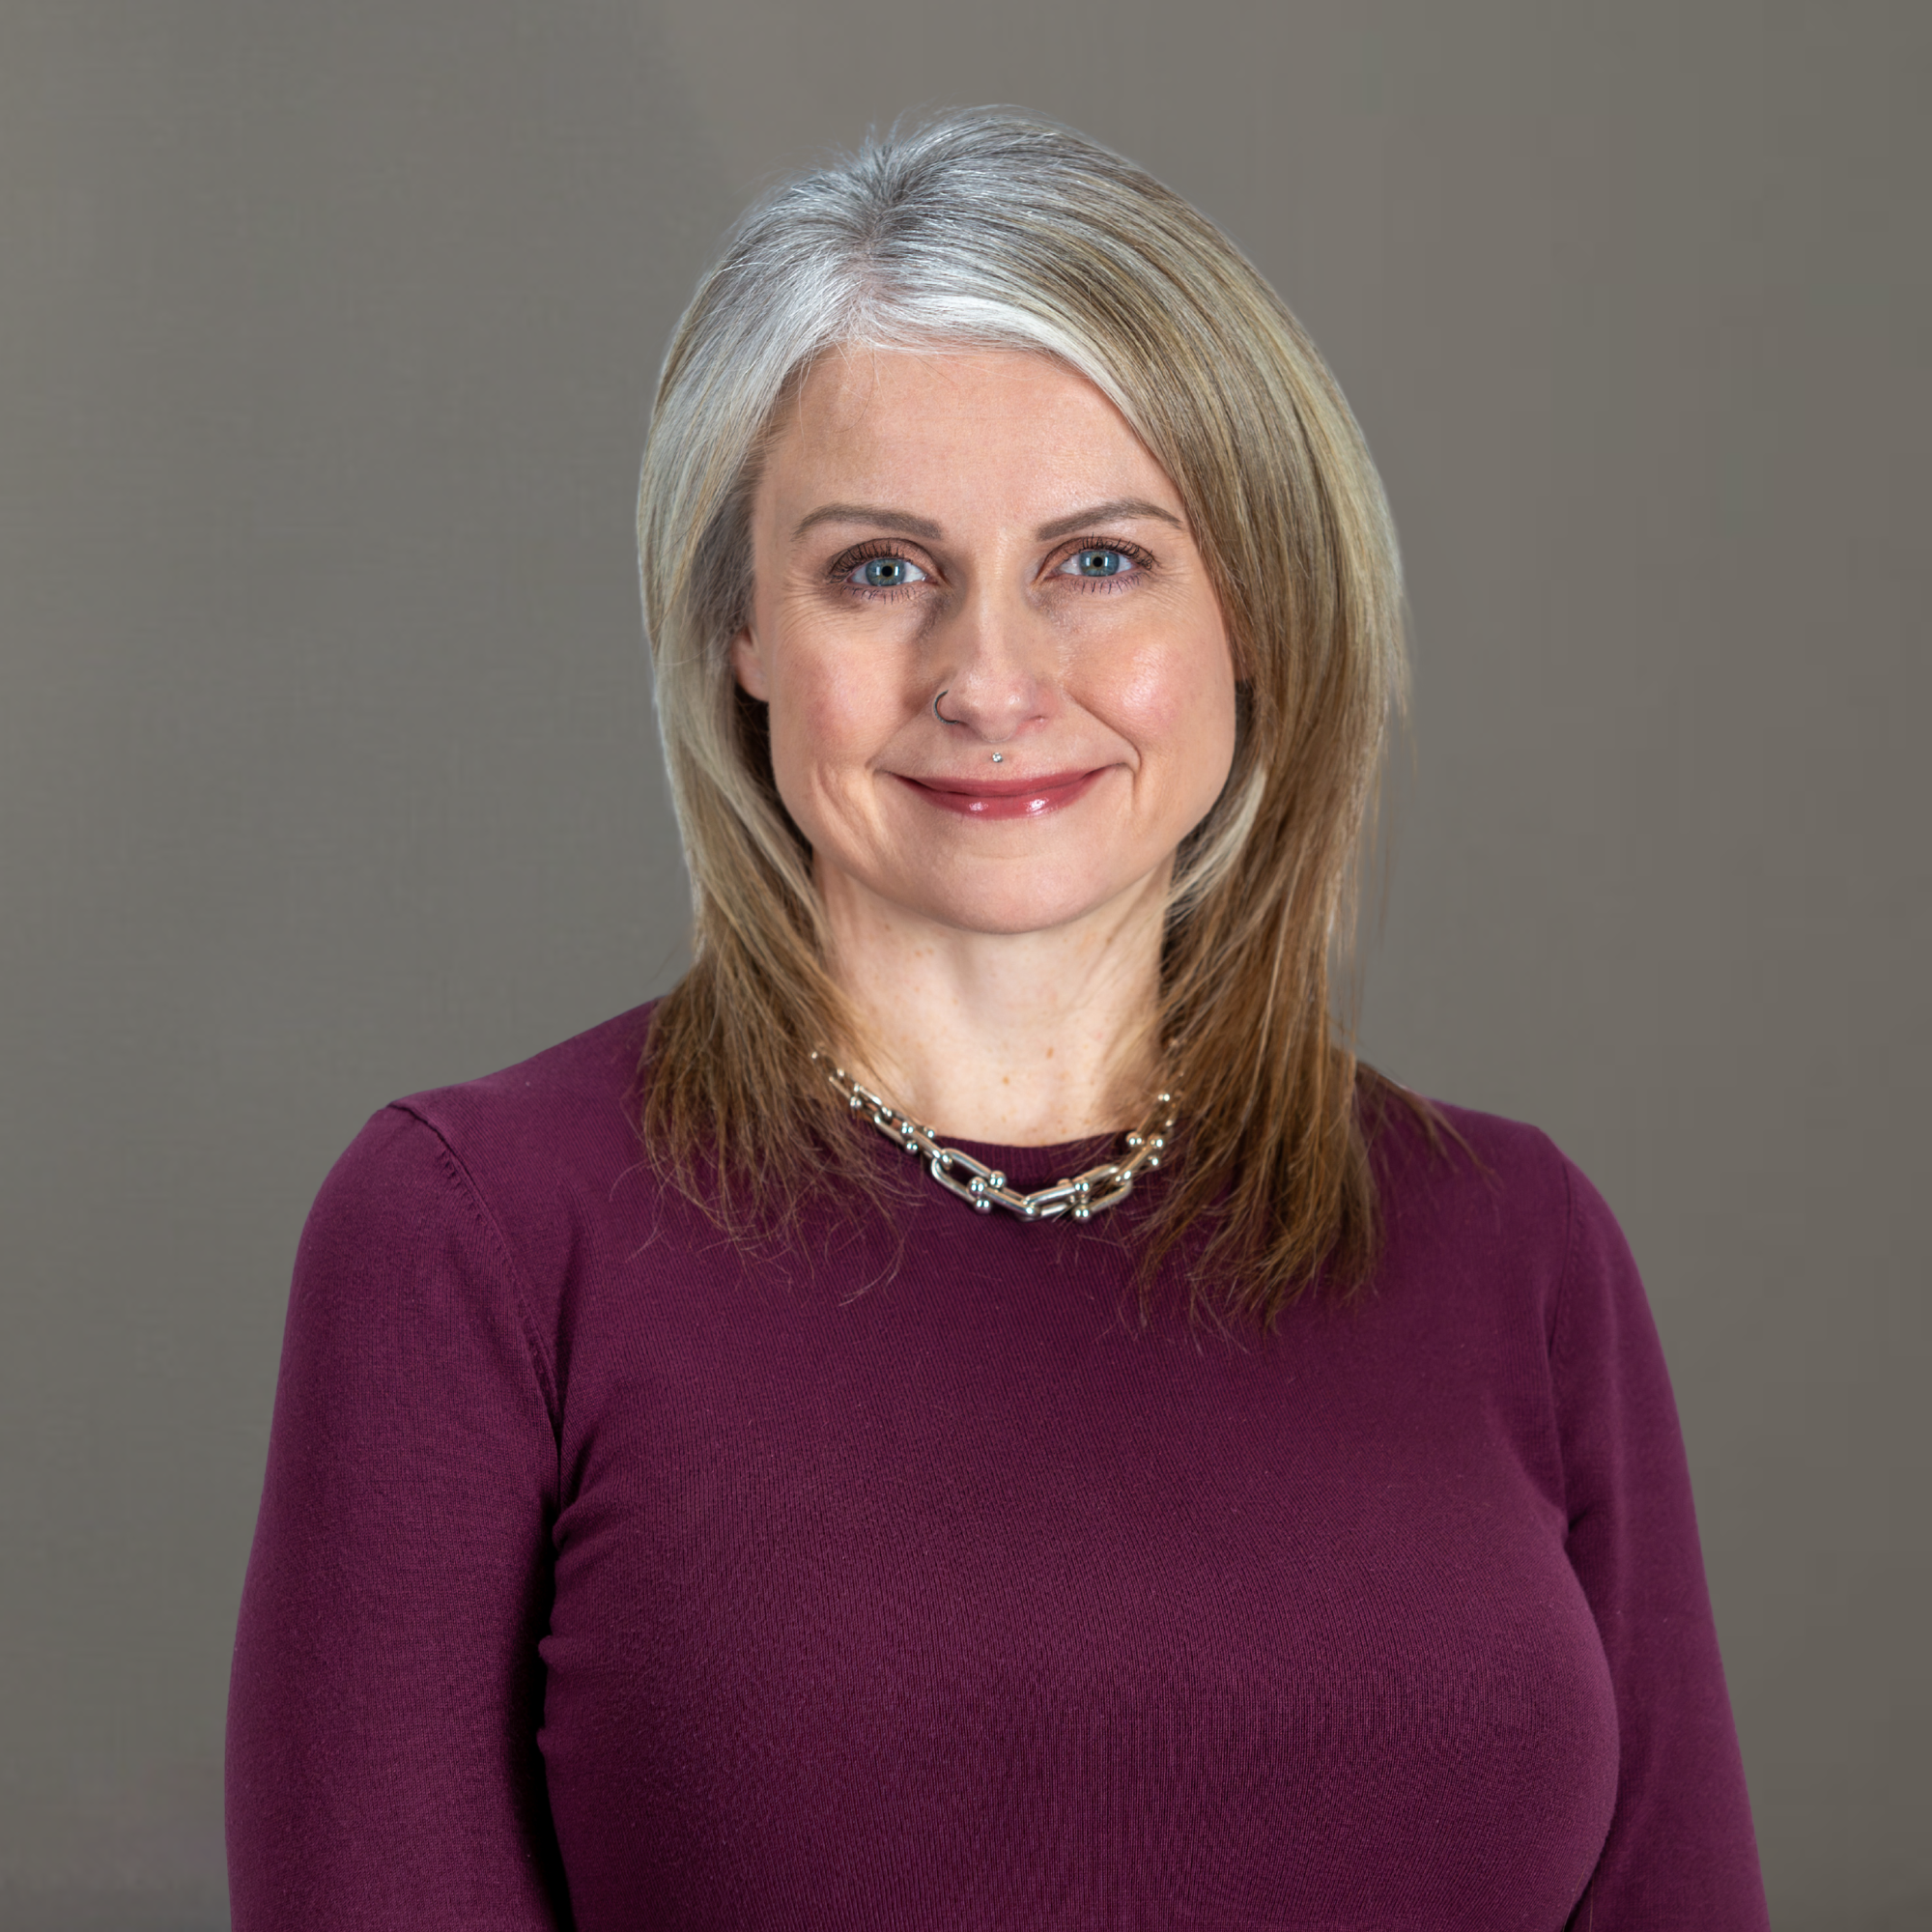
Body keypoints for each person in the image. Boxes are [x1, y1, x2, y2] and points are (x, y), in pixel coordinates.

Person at [225, 109, 1769, 1928]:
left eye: (1100, 561)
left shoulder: (1518, 1246)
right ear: (736, 626)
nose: (989, 680)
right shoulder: (475, 1236)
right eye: (879, 568)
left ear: (1257, 606)